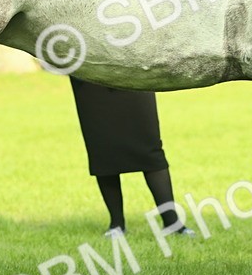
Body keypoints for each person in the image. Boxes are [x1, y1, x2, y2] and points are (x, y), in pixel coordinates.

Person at [69, 77, 195, 239]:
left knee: (150, 151)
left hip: (132, 68)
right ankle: (116, 224)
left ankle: (172, 222)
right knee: (102, 150)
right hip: (89, 73)